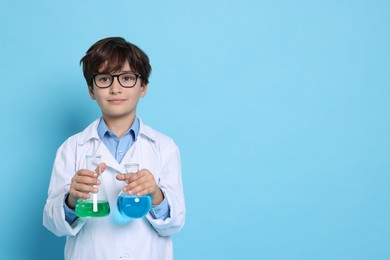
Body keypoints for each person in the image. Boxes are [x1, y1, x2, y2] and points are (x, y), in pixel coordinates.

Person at [43, 37, 186, 260]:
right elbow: (53, 224)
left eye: (127, 78)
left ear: (143, 87)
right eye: (104, 79)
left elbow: (174, 224)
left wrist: (156, 195)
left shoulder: (164, 147)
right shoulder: (72, 148)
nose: (115, 88)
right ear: (92, 90)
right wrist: (71, 199)